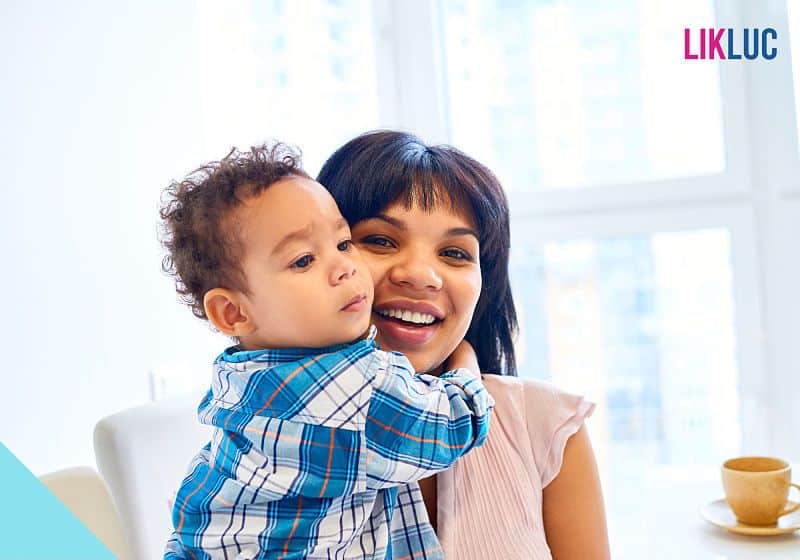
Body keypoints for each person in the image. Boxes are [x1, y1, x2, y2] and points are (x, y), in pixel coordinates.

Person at [158, 144, 496, 559]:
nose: (344, 267)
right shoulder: (357, 389)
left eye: (343, 243)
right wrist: (466, 363)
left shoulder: (236, 382)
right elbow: (456, 422)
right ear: (233, 312)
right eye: (303, 260)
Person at [317, 130, 611, 559]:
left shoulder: (547, 426)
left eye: (455, 253)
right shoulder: (260, 432)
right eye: (380, 240)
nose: (421, 275)